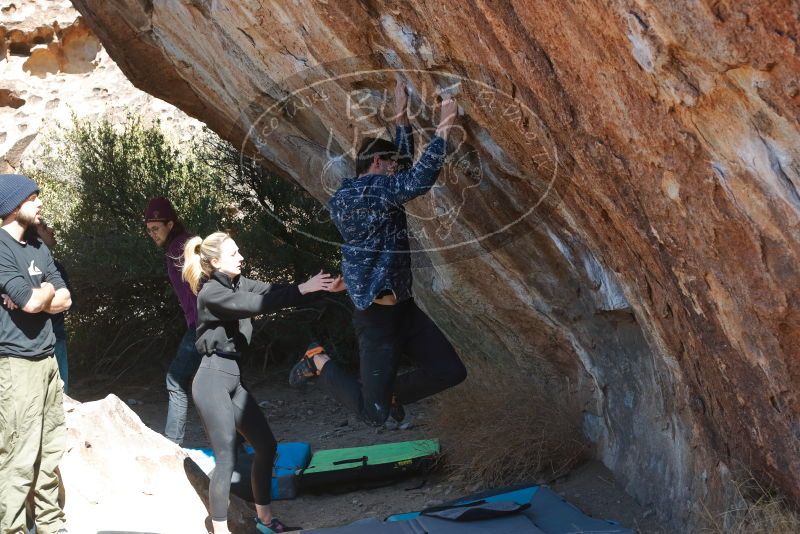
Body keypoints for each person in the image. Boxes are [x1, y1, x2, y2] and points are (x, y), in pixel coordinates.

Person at [289, 80, 467, 427]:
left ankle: (391, 393)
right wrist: (445, 124)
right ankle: (317, 360)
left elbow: (400, 165)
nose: (396, 171)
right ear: (378, 164)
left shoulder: (372, 188)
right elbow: (415, 179)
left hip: (402, 310)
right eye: (391, 166)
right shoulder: (360, 196)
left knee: (450, 371)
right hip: (377, 322)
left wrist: (401, 112)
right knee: (373, 415)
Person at [182, 231, 342, 534]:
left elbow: (277, 291)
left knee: (266, 446)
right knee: (227, 455)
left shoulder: (238, 283)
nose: (241, 257)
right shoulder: (210, 294)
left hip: (233, 380)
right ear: (215, 262)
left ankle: (266, 519)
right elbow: (255, 304)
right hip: (211, 381)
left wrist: (322, 288)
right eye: (233, 253)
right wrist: (303, 289)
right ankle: (219, 529)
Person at [0, 174, 72, 534]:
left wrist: (37, 296)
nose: (40, 202)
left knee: (50, 450)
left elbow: (65, 298)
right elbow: (32, 301)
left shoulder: (39, 248)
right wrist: (41, 295)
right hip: (14, 364)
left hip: (47, 360)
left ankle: (50, 524)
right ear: (13, 206)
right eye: (33, 197)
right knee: (17, 454)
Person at [144, 197, 203, 445]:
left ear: (170, 223)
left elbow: (202, 282)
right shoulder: (180, 245)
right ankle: (248, 446)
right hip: (206, 323)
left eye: (156, 228)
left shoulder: (181, 247)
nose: (152, 235)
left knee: (175, 381)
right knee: (226, 384)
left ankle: (171, 445)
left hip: (202, 325)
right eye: (149, 230)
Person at [32, 220, 72, 393]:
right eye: (44, 227)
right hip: (33, 341)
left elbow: (69, 302)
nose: (51, 230)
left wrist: (38, 300)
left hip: (56, 336)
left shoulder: (57, 267)